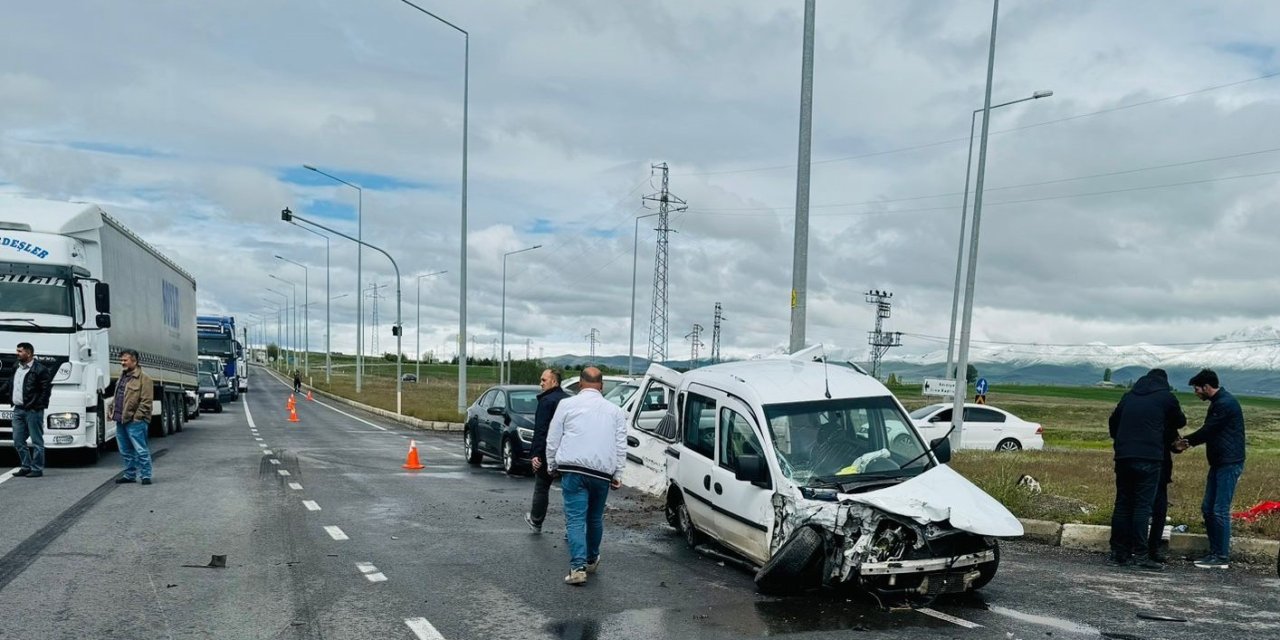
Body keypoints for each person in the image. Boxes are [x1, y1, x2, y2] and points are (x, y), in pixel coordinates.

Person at [546, 367, 627, 586]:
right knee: (594, 517)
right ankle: (591, 559)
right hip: (601, 473)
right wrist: (618, 473)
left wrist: (551, 464)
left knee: (575, 519)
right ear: (602, 386)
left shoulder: (566, 405)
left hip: (573, 469)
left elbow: (553, 438)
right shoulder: (615, 411)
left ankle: (577, 568)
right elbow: (620, 444)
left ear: (580, 384)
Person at [1106, 368, 1185, 570]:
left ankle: (1118, 552)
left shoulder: (1128, 396)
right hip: (1150, 458)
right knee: (1143, 506)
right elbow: (1180, 421)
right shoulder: (1166, 397)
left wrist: (1122, 441)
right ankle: (1141, 555)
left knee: (1122, 504)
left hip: (1124, 456)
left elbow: (1113, 422)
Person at [1176, 369, 1246, 570]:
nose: (1196, 393)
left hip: (1229, 463)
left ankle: (1221, 556)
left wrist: (1185, 442)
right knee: (1208, 508)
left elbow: (1209, 431)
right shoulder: (1220, 402)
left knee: (1219, 509)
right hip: (1219, 462)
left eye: (1197, 389)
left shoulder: (1224, 403)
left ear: (1206, 387)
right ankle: (1215, 552)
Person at [525, 368, 569, 533]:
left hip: (547, 451)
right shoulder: (568, 400)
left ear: (554, 382)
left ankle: (536, 521)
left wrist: (536, 454)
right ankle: (571, 527)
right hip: (568, 452)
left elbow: (541, 430)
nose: (541, 384)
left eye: (544, 380)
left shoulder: (546, 401)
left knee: (542, 486)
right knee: (570, 491)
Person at [2, 342, 54, 478]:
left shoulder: (40, 369)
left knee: (37, 441)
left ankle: (37, 468)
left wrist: (38, 406)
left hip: (33, 410)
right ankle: (26, 466)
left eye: (20, 351)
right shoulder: (16, 366)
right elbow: (10, 382)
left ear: (29, 353)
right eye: (17, 351)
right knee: (18, 440)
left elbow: (46, 391)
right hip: (18, 409)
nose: (17, 353)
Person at [111, 349, 155, 485]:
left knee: (141, 449)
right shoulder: (122, 377)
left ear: (134, 361)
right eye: (121, 360)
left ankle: (146, 475)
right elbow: (118, 396)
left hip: (135, 421)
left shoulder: (144, 379)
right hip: (121, 420)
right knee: (125, 450)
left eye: (125, 360)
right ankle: (129, 475)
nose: (122, 362)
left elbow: (146, 401)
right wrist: (112, 410)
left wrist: (137, 417)